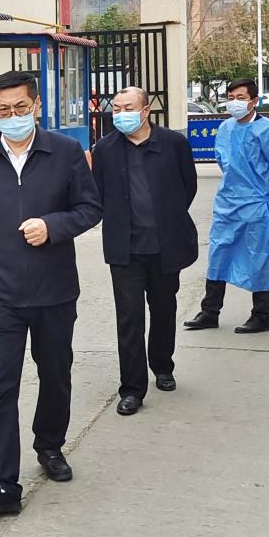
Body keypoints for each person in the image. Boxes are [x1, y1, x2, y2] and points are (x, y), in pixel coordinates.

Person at [0, 71, 101, 515]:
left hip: (53, 290)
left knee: (55, 374)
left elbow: (90, 208)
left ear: (37, 106)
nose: (13, 116)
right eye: (3, 109)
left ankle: (49, 444)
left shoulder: (65, 152)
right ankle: (2, 483)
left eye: (20, 107)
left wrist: (53, 226)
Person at [92, 88, 198, 417]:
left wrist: (167, 217)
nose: (121, 113)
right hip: (125, 249)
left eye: (128, 107)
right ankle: (132, 388)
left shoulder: (173, 144)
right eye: (116, 108)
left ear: (146, 110)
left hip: (166, 245)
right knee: (129, 317)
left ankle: (163, 366)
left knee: (164, 308)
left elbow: (188, 186)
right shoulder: (105, 149)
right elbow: (98, 193)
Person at [185, 78, 269, 334]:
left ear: (254, 101)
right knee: (218, 255)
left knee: (260, 257)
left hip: (257, 204)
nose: (234, 102)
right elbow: (224, 162)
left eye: (241, 98)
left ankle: (261, 316)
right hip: (228, 203)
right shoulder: (225, 128)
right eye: (231, 97)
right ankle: (210, 312)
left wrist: (266, 196)